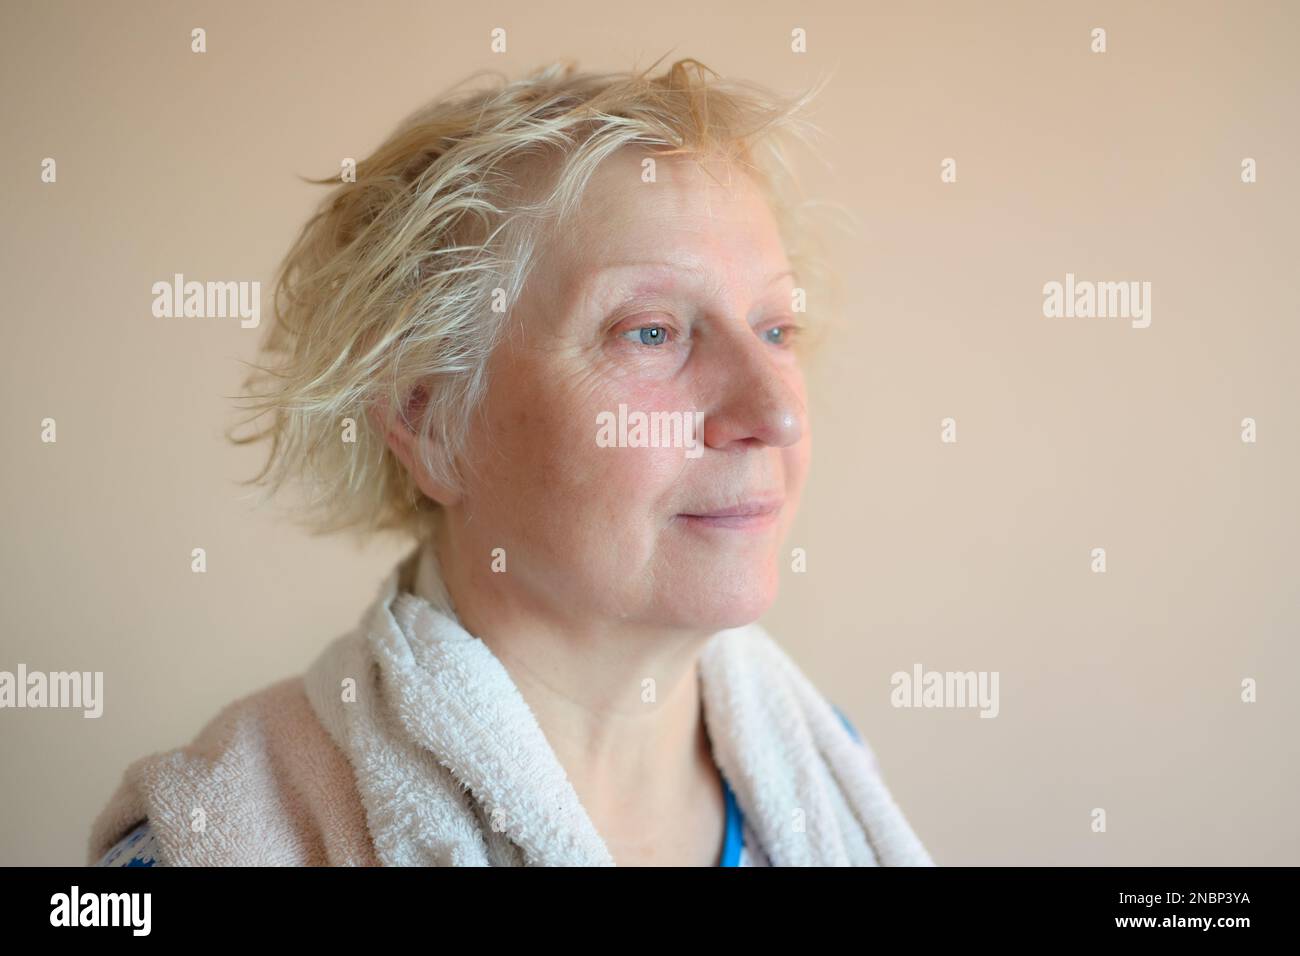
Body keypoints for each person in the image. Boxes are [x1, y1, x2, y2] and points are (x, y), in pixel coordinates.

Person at [87, 56, 933, 867]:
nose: (776, 412)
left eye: (776, 328)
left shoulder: (832, 773)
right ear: (431, 425)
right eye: (650, 332)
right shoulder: (217, 841)